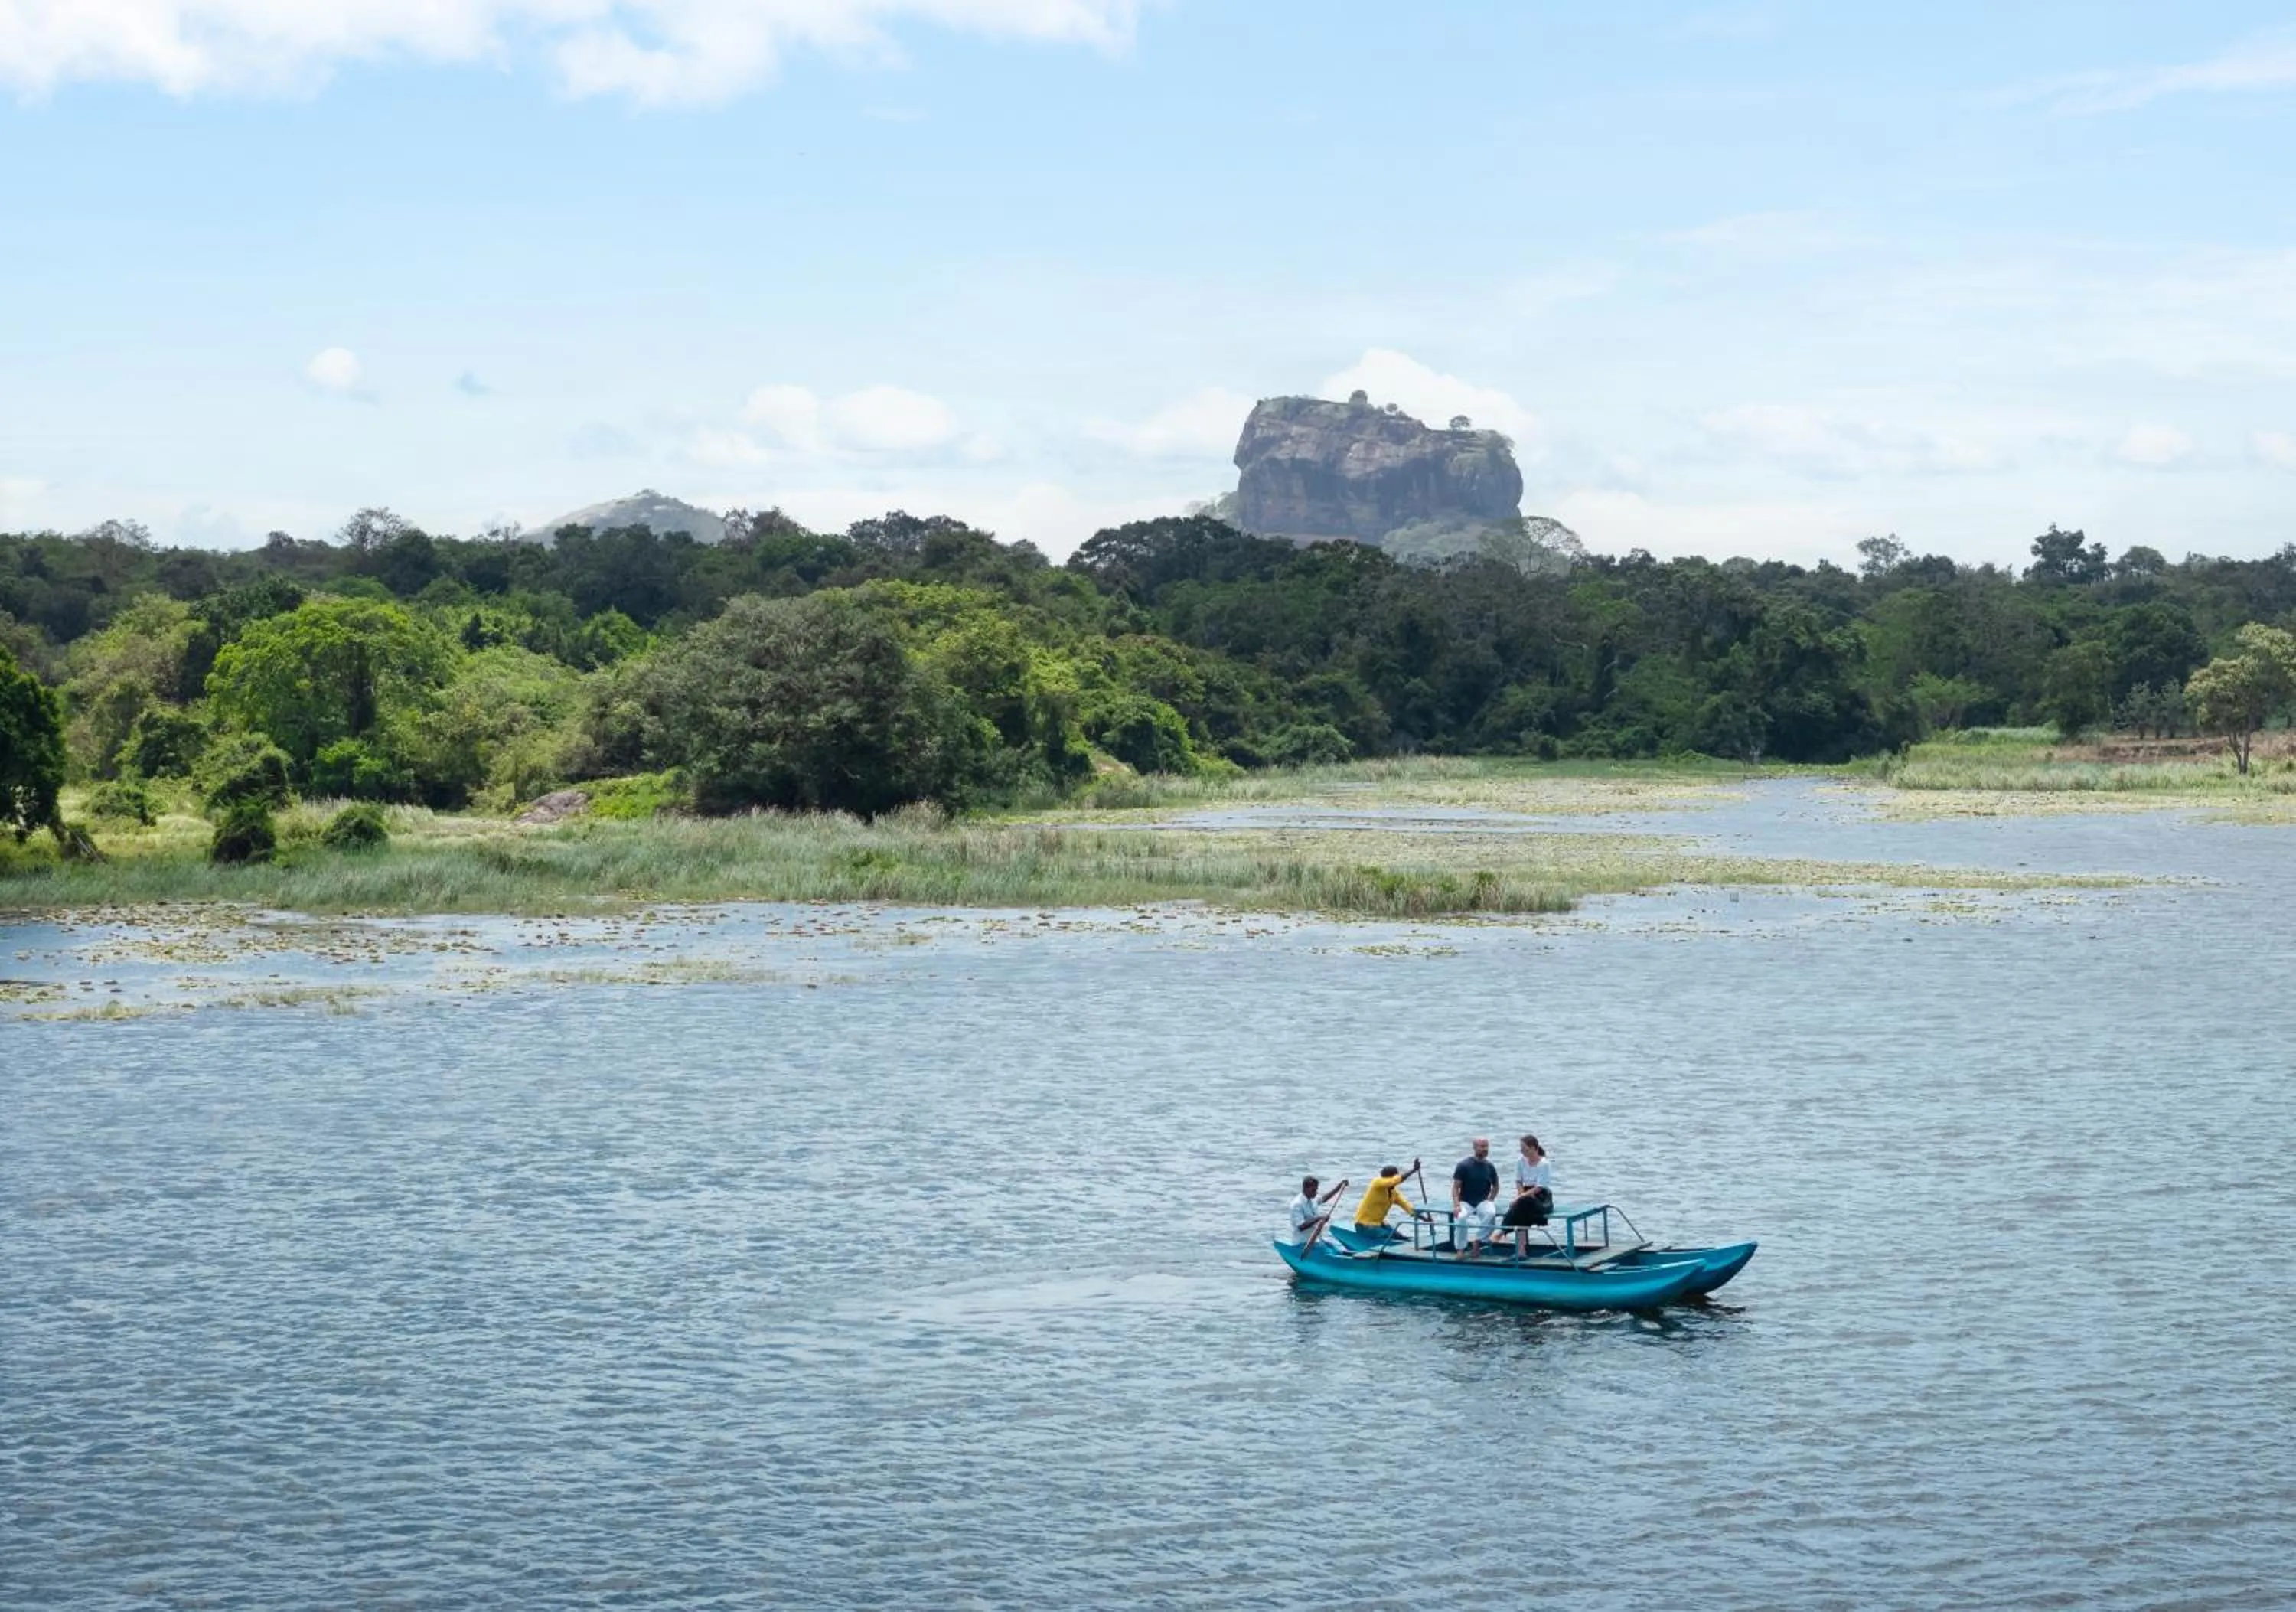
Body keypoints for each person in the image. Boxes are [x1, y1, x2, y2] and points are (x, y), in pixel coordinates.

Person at [1502, 1134, 1554, 1259]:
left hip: (1541, 1197)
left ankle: (1502, 1231)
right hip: (1525, 1195)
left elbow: (1539, 1187)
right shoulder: (1521, 1161)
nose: (1522, 1152)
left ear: (1534, 1148)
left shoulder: (1544, 1163)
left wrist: (1520, 1198)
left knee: (1522, 1204)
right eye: (1521, 1149)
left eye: (1525, 1149)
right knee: (1521, 1207)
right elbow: (1519, 1181)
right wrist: (1520, 1195)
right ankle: (1521, 1251)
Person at [1450, 1136, 1500, 1258]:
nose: (1485, 1149)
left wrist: (1491, 1199)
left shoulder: (1490, 1166)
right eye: (1482, 1146)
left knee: (1491, 1213)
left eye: (1486, 1146)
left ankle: (1477, 1241)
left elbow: (1496, 1185)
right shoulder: (1464, 1165)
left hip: (1482, 1201)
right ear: (1474, 1148)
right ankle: (1460, 1249)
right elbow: (1455, 1188)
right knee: (1461, 1217)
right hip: (1466, 1201)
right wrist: (1457, 1205)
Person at [1352, 1160, 1419, 1242]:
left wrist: (1425, 1219)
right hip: (1364, 1225)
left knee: (1399, 1236)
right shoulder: (1376, 1183)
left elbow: (1407, 1207)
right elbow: (1394, 1181)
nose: (1396, 1183)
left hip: (1379, 1224)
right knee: (1388, 1237)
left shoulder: (1394, 1193)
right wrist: (1413, 1170)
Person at [1288, 1176, 1343, 1246]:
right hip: (1302, 1243)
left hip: (1316, 1241)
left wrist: (1339, 1187)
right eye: (1313, 1190)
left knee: (1336, 1246)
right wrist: (1319, 1218)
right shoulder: (1297, 1204)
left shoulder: (1313, 1199)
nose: (1316, 1193)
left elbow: (1324, 1198)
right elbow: (1301, 1226)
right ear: (1305, 1189)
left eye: (1316, 1190)